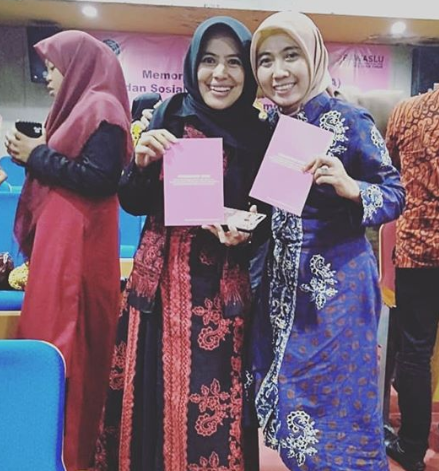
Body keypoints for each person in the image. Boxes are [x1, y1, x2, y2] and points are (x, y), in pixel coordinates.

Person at [93, 17, 271, 471]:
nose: (220, 73)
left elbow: (271, 217)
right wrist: (141, 164)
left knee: (211, 407)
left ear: (248, 71)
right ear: (194, 64)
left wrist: (247, 233)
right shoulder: (170, 113)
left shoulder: (260, 133)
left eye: (234, 62)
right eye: (209, 60)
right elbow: (134, 201)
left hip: (219, 295)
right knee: (153, 402)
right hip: (157, 290)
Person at [249, 11, 405, 470]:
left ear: (313, 58)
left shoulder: (348, 120)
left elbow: (395, 192)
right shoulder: (269, 125)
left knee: (340, 408)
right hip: (284, 296)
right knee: (294, 408)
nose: (278, 72)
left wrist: (353, 188)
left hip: (337, 297)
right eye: (265, 61)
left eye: (290, 56)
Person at [4, 30, 132, 471]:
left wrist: (37, 155)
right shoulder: (83, 109)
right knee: (52, 344)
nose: (47, 77)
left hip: (77, 253)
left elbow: (99, 179)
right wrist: (34, 156)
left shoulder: (101, 108)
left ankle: (67, 456)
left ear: (78, 66)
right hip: (63, 250)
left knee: (67, 351)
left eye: (53, 67)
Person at [384, 88, 439, 471]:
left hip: (417, 248)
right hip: (416, 249)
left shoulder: (406, 112)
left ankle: (412, 447)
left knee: (416, 351)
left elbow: (389, 167)